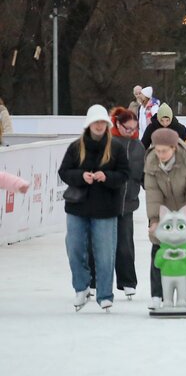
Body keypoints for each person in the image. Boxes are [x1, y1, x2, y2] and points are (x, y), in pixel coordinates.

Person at [58, 105, 129, 310]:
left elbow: (124, 174)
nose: (99, 126)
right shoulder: (75, 147)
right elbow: (64, 172)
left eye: (102, 123)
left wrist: (107, 177)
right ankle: (82, 287)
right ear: (88, 125)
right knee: (75, 248)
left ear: (107, 125)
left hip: (106, 208)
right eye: (96, 122)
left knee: (105, 252)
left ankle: (105, 294)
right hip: (77, 207)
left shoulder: (115, 147)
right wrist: (81, 176)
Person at [145, 127, 186, 310]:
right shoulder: (151, 161)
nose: (160, 154)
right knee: (158, 248)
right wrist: (154, 220)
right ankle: (157, 295)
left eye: (164, 151)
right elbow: (152, 193)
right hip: (164, 208)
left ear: (174, 148)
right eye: (158, 151)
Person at [109, 108, 144, 299]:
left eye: (134, 129)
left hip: (128, 203)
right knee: (101, 245)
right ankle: (94, 282)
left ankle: (128, 282)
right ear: (117, 124)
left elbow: (145, 175)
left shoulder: (138, 146)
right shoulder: (108, 143)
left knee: (125, 245)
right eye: (127, 128)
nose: (131, 132)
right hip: (106, 203)